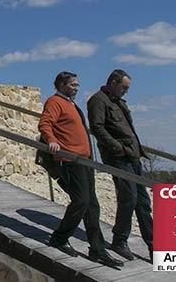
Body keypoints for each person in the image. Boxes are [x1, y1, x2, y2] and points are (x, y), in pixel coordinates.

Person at [38, 71, 124, 268]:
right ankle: (59, 238)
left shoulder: (70, 103)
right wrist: (52, 141)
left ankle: (97, 250)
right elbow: (45, 123)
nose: (77, 88)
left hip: (84, 161)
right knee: (81, 201)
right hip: (70, 160)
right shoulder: (54, 102)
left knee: (92, 205)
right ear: (61, 84)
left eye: (77, 85)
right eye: (73, 85)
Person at [87, 69, 153, 260]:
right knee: (129, 198)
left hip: (133, 157)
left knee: (143, 202)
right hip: (119, 157)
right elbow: (97, 128)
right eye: (124, 87)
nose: (126, 91)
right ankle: (119, 240)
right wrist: (118, 148)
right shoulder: (98, 100)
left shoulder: (118, 102)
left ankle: (154, 246)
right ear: (113, 83)